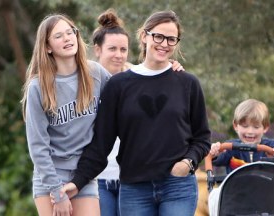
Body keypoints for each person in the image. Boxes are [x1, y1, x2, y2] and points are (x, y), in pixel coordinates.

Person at [58, 10, 211, 216]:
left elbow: (201, 138)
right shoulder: (118, 86)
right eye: (158, 36)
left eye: (171, 39)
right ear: (144, 36)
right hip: (134, 189)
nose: (164, 43)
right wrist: (77, 182)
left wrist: (187, 163)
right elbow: (100, 145)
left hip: (178, 187)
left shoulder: (187, 83)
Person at [91, 8, 184, 216]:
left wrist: (171, 69)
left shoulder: (138, 80)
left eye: (123, 50)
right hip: (98, 177)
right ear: (98, 50)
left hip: (132, 178)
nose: (118, 55)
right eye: (112, 49)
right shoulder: (84, 84)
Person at [21, 14, 111, 216]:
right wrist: (57, 192)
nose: (67, 38)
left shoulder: (95, 73)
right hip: (50, 178)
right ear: (47, 47)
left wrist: (167, 69)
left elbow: (125, 90)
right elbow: (38, 146)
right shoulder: (38, 87)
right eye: (59, 36)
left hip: (83, 175)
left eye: (70, 32)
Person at [207, 98, 274, 216]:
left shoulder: (270, 147)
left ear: (265, 128)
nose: (250, 131)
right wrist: (215, 152)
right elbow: (217, 159)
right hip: (235, 203)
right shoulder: (231, 147)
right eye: (245, 126)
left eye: (256, 127)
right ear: (236, 126)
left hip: (264, 203)